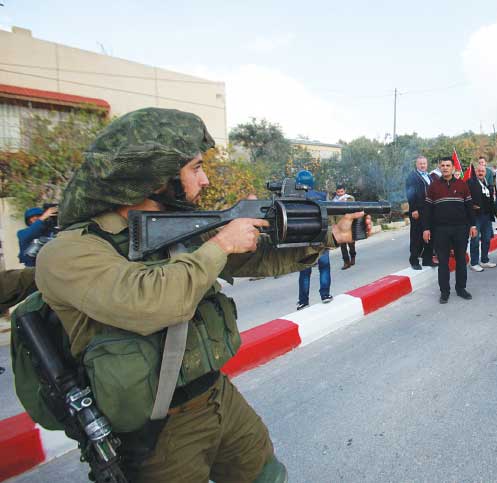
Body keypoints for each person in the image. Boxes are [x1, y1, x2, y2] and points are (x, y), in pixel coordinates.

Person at [34, 108, 369, 482]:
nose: (206, 179)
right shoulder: (68, 252)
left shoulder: (178, 229)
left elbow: (257, 261)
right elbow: (152, 302)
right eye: (195, 168)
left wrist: (332, 237)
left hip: (216, 396)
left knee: (268, 476)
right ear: (155, 177)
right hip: (156, 433)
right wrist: (222, 244)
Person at [422, 157, 477, 303]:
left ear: (453, 168)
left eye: (448, 165)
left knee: (460, 260)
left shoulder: (462, 185)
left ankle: (461, 289)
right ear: (439, 168)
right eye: (442, 165)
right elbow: (427, 210)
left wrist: (473, 225)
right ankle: (444, 292)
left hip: (461, 229)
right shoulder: (433, 187)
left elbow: (469, 207)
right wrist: (426, 228)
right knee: (443, 262)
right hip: (440, 230)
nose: (445, 168)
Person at [296, 170, 333, 309]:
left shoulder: (294, 197)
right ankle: (325, 295)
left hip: (303, 239)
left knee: (305, 271)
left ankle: (303, 301)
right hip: (321, 237)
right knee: (324, 267)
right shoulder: (322, 196)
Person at [405, 155, 437, 270]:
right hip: (417, 211)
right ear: (416, 164)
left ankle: (427, 260)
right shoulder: (412, 177)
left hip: (429, 211)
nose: (423, 165)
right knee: (417, 236)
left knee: (430, 235)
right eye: (420, 163)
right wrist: (413, 209)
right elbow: (410, 194)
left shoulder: (429, 176)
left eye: (424, 163)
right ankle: (414, 260)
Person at [467, 165, 497, 271]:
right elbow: (465, 197)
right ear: (475, 172)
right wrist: (471, 205)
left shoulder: (487, 183)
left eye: (482, 171)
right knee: (475, 240)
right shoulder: (470, 182)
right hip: (476, 216)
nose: (480, 172)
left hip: (487, 216)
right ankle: (474, 262)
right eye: (479, 171)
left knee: (487, 239)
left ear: (486, 172)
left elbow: (490, 200)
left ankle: (484, 260)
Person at [332, 183, 357, 270]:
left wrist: (345, 203)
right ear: (336, 192)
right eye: (338, 192)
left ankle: (353, 257)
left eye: (342, 191)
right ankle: (346, 262)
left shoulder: (350, 198)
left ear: (344, 191)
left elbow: (354, 209)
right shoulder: (333, 201)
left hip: (349, 225)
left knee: (351, 244)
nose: (340, 194)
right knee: (342, 245)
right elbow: (333, 215)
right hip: (339, 225)